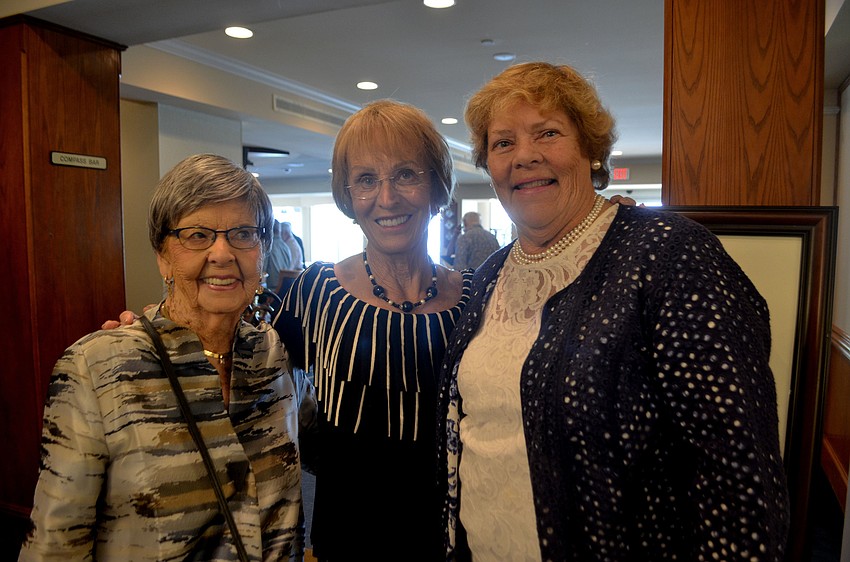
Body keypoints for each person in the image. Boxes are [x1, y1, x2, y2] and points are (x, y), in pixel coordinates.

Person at [436, 62, 790, 561]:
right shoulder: (490, 275)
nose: (525, 156)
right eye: (503, 143)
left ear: (589, 149)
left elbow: (738, 478)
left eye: (548, 133)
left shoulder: (668, 256)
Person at [20, 154, 316, 561]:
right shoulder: (98, 368)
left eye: (243, 233)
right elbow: (55, 547)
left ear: (261, 250)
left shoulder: (273, 353)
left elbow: (322, 441)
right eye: (197, 235)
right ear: (163, 256)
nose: (223, 253)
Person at [273, 99, 475, 561]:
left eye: (406, 174)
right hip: (349, 540)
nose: (387, 198)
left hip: (456, 539)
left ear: (436, 186)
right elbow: (243, 375)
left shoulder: (473, 298)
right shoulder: (316, 292)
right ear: (348, 196)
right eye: (366, 179)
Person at [265, 219, 293, 295]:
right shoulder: (286, 247)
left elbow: (262, 272)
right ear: (280, 231)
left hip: (272, 293)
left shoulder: (268, 247)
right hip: (285, 292)